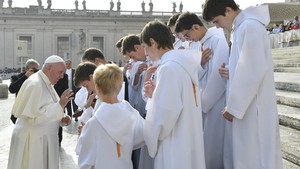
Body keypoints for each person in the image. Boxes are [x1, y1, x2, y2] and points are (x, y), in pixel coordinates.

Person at [202, 1, 283, 169]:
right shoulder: (241, 28)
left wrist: (234, 107)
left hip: (253, 107)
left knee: (254, 155)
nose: (217, 27)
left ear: (228, 10)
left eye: (217, 21)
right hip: (248, 106)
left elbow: (253, 69)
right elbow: (248, 64)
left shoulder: (249, 27)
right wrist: (232, 70)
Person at [141, 20, 205, 169]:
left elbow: (165, 114)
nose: (145, 54)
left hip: (174, 143)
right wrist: (155, 96)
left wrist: (150, 136)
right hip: (188, 138)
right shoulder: (184, 64)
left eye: (145, 47)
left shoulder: (168, 68)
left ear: (153, 42)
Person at [175, 12, 229, 169]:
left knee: (213, 145)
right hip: (201, 100)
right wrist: (201, 64)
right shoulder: (200, 42)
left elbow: (219, 75)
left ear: (196, 27)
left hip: (214, 102)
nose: (187, 39)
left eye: (187, 35)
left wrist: (203, 103)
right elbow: (197, 72)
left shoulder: (217, 40)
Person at [7, 55, 72, 169]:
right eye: (60, 72)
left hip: (43, 139)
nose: (62, 76)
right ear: (49, 69)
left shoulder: (47, 83)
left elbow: (47, 108)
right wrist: (60, 105)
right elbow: (34, 119)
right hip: (33, 141)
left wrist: (62, 118)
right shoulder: (35, 84)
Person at [76, 64, 144, 169]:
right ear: (120, 86)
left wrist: (84, 133)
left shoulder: (93, 124)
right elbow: (142, 137)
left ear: (97, 87)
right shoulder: (131, 113)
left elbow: (85, 162)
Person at [9, 59, 40, 124]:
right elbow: (11, 89)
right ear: (26, 69)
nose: (36, 71)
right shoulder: (17, 77)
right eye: (33, 69)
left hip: (34, 111)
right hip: (21, 110)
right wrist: (25, 77)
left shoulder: (39, 78)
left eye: (37, 69)